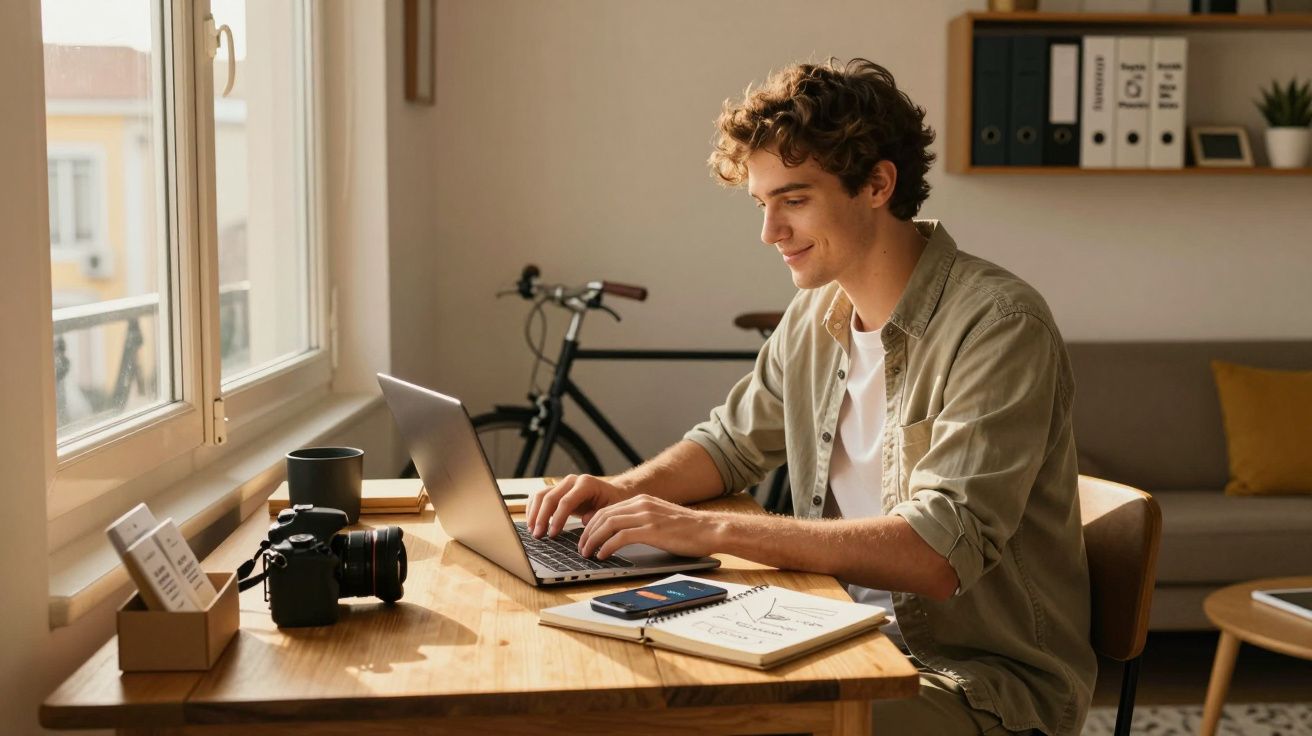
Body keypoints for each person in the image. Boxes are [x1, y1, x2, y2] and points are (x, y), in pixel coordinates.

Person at [526, 58, 1096, 736]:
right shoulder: (816, 313)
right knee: (613, 679)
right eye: (763, 205)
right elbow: (730, 444)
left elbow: (940, 554)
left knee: (709, 722)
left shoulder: (999, 325)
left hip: (976, 684)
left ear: (878, 184)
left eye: (794, 200)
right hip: (838, 635)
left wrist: (710, 529)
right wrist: (625, 491)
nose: (771, 233)